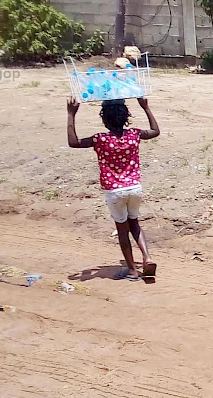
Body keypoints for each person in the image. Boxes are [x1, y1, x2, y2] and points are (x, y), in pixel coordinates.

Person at [66, 96, 160, 280]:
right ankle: (147, 257)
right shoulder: (134, 135)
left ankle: (132, 270)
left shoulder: (100, 139)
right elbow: (155, 131)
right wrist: (146, 107)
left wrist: (71, 115)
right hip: (135, 188)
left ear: (104, 119)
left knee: (122, 229)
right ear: (126, 117)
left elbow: (73, 142)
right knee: (135, 223)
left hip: (115, 191)